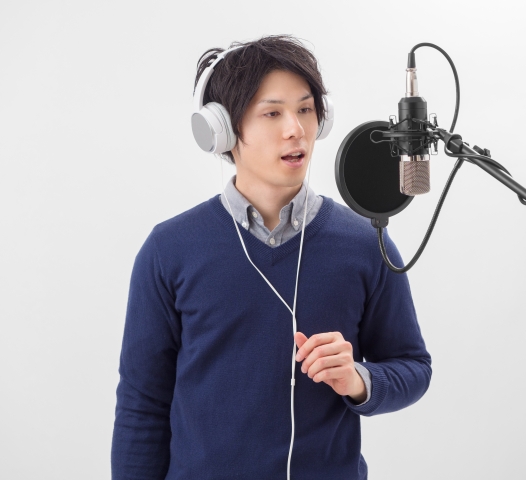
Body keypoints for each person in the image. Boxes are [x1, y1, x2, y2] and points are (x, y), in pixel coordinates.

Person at [111, 34, 432, 480]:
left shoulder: (365, 243)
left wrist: (358, 379)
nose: (296, 129)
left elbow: (413, 367)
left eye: (305, 109)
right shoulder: (169, 249)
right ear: (223, 130)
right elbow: (142, 404)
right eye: (272, 113)